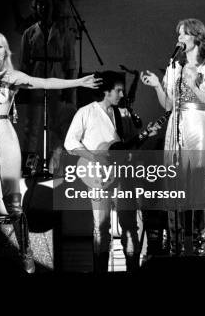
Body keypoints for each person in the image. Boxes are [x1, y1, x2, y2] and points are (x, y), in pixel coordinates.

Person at [0, 32, 100, 273]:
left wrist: (76, 83)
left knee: (12, 202)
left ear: (6, 51)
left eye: (1, 47)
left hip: (5, 134)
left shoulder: (13, 76)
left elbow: (46, 82)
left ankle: (26, 253)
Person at [141, 18, 205, 255]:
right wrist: (158, 85)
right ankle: (175, 247)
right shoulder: (173, 66)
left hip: (198, 123)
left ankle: (198, 246)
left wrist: (193, 85)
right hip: (176, 123)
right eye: (178, 34)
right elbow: (168, 106)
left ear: (197, 37)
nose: (178, 38)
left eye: (183, 34)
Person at [64, 71, 158, 273]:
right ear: (106, 91)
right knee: (101, 226)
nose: (122, 94)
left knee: (130, 225)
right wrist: (93, 157)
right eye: (118, 90)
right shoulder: (86, 112)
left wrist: (147, 135)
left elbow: (131, 146)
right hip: (97, 175)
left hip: (122, 174)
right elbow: (70, 143)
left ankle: (133, 268)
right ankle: (100, 270)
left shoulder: (122, 114)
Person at [20, 0, 77, 169]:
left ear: (53, 8)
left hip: (57, 78)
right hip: (35, 79)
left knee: (56, 124)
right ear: (36, 7)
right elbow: (24, 64)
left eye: (47, 5)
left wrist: (69, 89)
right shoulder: (29, 33)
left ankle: (55, 165)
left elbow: (70, 63)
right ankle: (30, 166)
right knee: (33, 124)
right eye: (40, 5)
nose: (43, 8)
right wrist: (23, 88)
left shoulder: (64, 32)